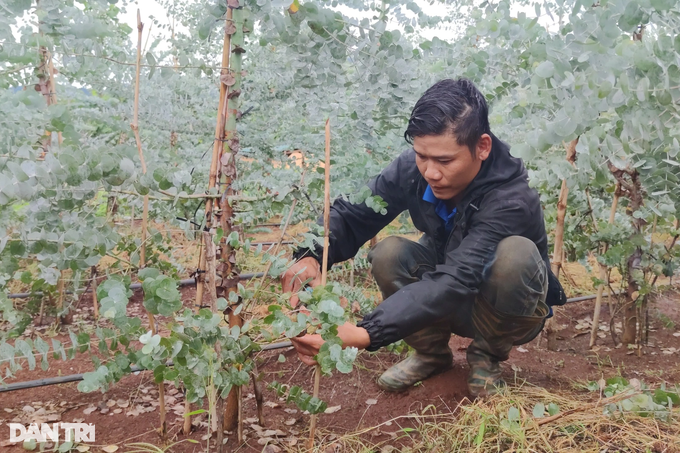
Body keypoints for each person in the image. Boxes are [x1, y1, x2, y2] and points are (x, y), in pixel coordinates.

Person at [281, 78, 566, 397]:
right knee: (388, 253)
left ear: (482, 147)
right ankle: (432, 354)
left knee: (516, 256)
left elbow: (456, 278)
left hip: (508, 309)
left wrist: (365, 332)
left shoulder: (512, 197)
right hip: (446, 296)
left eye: (445, 160)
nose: (430, 172)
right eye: (421, 156)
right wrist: (310, 253)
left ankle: (486, 358)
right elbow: (355, 213)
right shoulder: (413, 169)